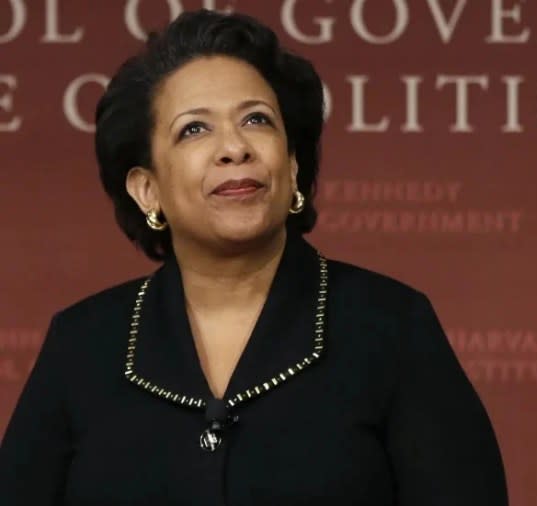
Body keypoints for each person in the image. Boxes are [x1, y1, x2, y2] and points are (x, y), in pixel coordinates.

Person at [0, 9, 507, 505]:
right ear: (147, 189)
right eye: (194, 130)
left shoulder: (392, 326)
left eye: (256, 120)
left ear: (291, 166)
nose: (234, 148)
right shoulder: (83, 344)